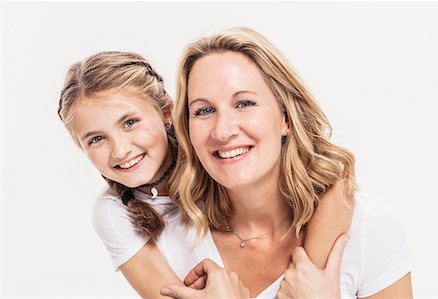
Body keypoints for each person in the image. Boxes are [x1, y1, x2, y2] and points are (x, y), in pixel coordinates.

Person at [58, 51, 353, 298]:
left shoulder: (216, 157)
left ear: (166, 113)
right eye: (96, 139)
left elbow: (336, 180)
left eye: (130, 122)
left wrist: (309, 282)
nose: (120, 150)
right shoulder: (113, 213)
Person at [160, 27, 413, 298]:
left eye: (244, 103)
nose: (222, 131)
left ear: (286, 118)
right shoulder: (171, 236)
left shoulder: (366, 227)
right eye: (204, 110)